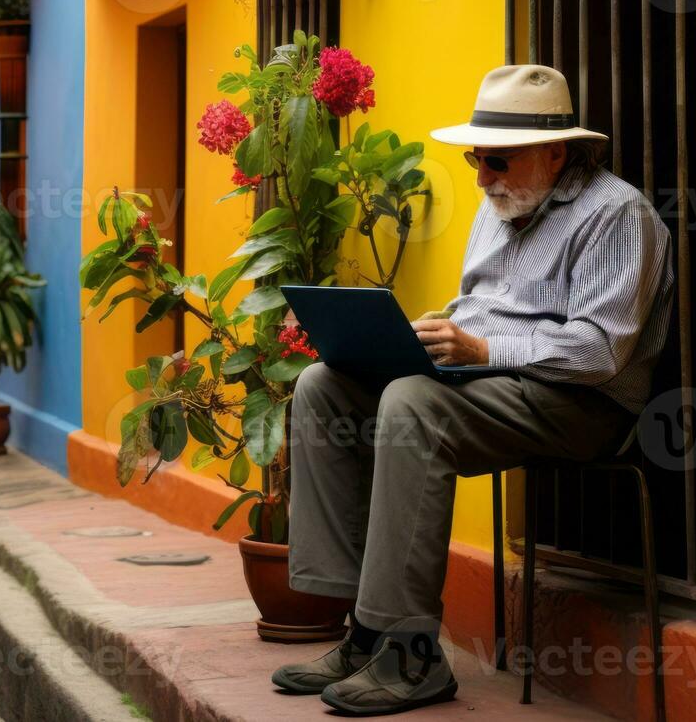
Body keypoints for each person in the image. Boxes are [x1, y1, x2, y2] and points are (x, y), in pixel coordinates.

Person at [272, 64, 674, 715]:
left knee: (411, 405)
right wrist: (419, 336)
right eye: (474, 160)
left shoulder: (615, 214)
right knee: (324, 386)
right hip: (482, 387)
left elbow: (601, 349)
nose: (482, 177)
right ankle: (363, 633)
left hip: (579, 404)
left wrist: (484, 350)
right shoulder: (501, 204)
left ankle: (411, 655)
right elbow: (473, 311)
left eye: (497, 160)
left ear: (555, 152)